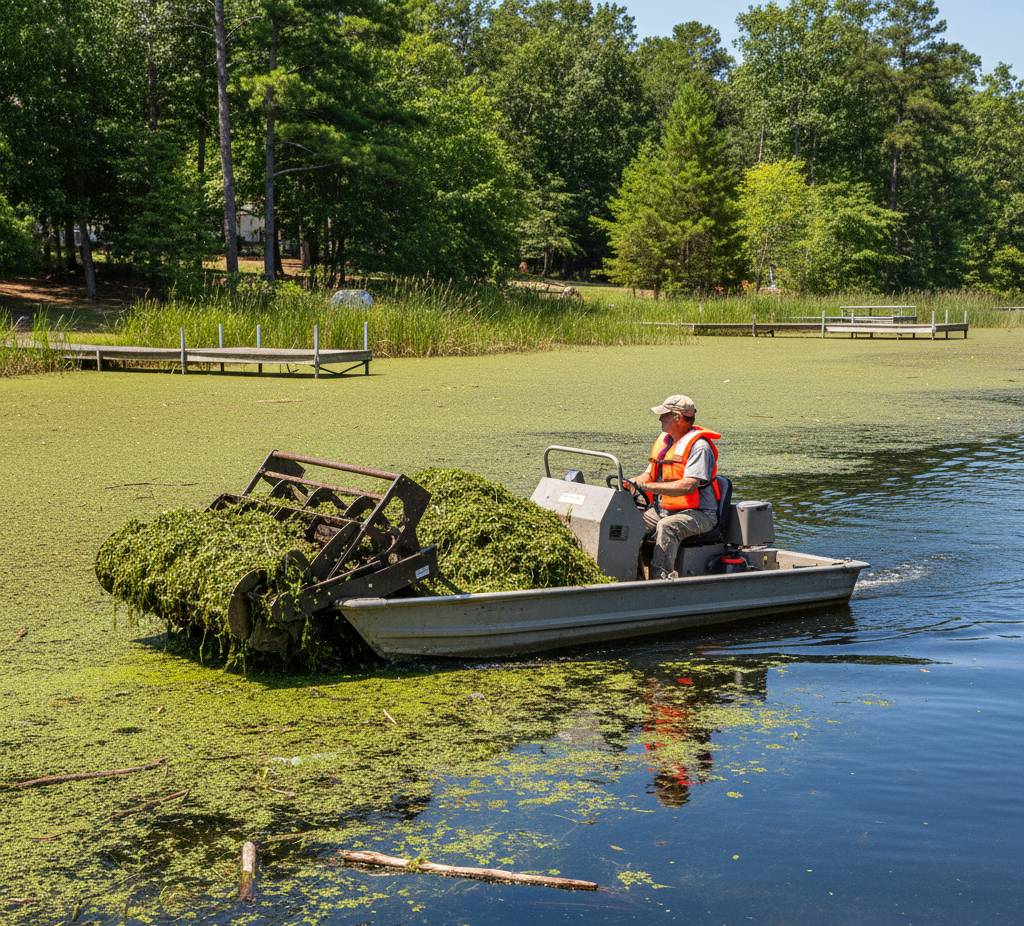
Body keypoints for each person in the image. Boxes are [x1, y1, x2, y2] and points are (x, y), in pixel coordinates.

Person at [630, 394, 721, 579]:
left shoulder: (699, 447)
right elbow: (648, 474)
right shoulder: (666, 441)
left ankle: (660, 580)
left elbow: (688, 485)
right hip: (663, 509)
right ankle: (633, 576)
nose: (660, 419)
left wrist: (650, 487)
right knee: (630, 523)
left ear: (678, 418)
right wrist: (631, 483)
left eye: (665, 415)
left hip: (699, 514)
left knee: (667, 526)